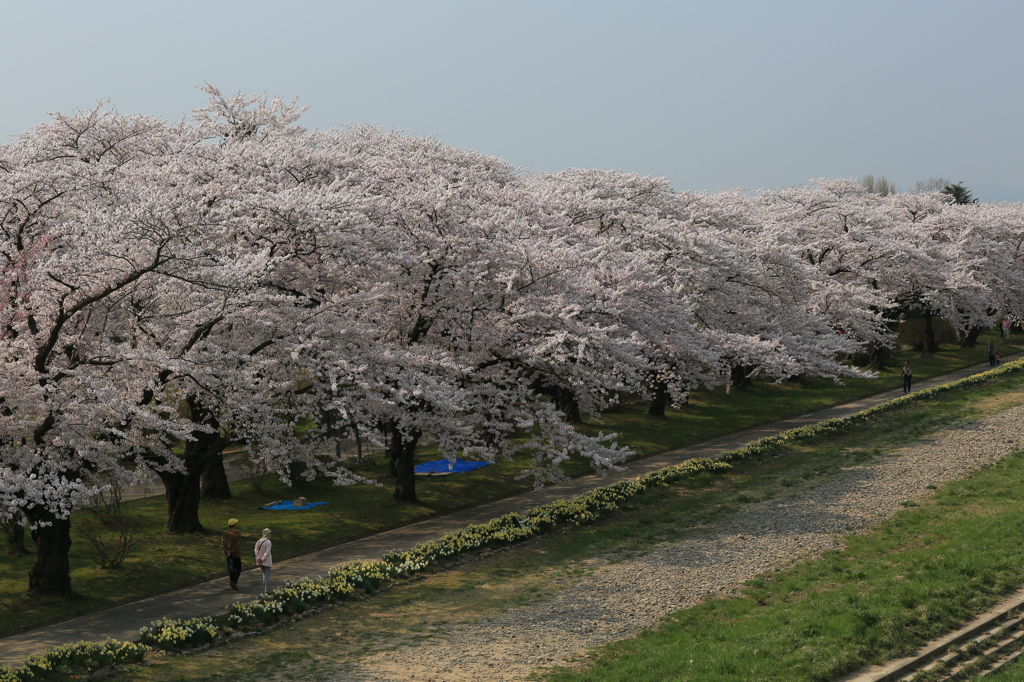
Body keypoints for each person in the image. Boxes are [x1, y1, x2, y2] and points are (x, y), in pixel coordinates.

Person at [221, 518, 242, 591]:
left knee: (231, 568)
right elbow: (237, 544)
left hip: (228, 554)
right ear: (234, 525)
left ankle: (231, 580)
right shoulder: (237, 533)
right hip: (236, 554)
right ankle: (234, 581)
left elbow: (223, 543)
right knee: (238, 568)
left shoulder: (225, 533)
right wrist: (232, 551)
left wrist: (227, 551)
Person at [255, 528, 273, 593]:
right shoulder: (268, 542)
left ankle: (265, 589)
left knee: (264, 574)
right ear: (267, 534)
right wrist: (262, 559)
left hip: (260, 561)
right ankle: (266, 590)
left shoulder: (258, 541)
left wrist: (258, 558)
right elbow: (267, 552)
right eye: (269, 533)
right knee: (267, 575)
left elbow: (256, 551)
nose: (270, 534)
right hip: (266, 561)